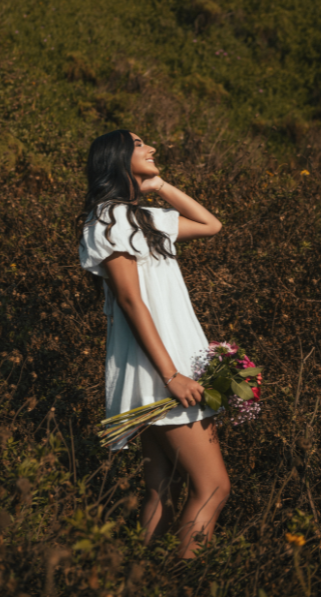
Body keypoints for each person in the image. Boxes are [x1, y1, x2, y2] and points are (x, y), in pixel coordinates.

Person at [79, 129, 230, 559]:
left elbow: (211, 225)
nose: (151, 148)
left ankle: (140, 581)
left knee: (161, 490)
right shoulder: (111, 219)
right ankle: (185, 584)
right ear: (117, 158)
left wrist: (160, 186)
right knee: (214, 487)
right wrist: (171, 375)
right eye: (139, 144)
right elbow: (130, 301)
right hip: (163, 373)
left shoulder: (139, 216)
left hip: (163, 370)